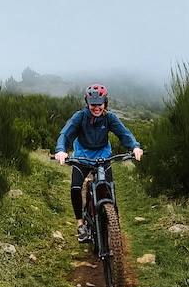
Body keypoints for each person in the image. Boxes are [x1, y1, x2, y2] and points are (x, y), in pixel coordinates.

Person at [55, 84, 143, 243]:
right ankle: (80, 225)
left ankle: (112, 221)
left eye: (99, 104)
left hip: (102, 157)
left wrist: (135, 146)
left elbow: (124, 133)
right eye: (93, 104)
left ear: (105, 103)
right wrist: (61, 149)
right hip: (82, 158)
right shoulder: (80, 117)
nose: (96, 107)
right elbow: (65, 134)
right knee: (75, 188)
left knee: (107, 188)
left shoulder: (109, 118)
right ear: (87, 103)